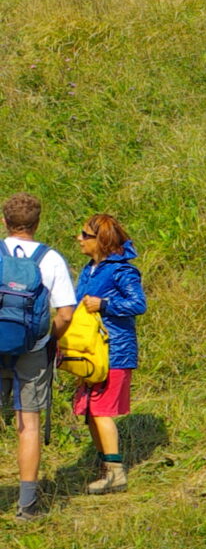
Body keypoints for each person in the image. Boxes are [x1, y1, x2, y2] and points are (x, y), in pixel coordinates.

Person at [0, 194, 75, 520]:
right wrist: (47, 340)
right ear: (37, 223)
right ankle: (27, 507)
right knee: (28, 425)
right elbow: (66, 314)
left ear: (4, 221)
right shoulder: (51, 259)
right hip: (32, 350)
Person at [71, 214, 145, 497]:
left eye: (84, 235)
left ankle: (116, 474)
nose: (79, 239)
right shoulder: (89, 269)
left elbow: (138, 304)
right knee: (90, 412)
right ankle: (106, 469)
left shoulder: (122, 271)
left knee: (100, 410)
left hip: (114, 351)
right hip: (90, 352)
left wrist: (104, 304)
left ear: (100, 241)